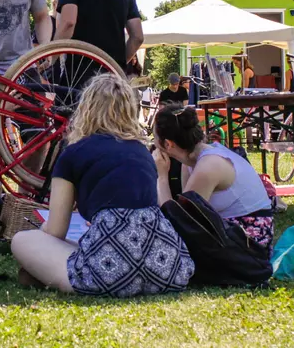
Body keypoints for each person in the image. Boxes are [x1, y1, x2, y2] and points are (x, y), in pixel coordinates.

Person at [11, 74, 193, 297]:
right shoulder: (141, 152)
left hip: (109, 271)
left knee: (22, 240)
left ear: (86, 109)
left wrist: (40, 241)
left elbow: (56, 230)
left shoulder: (73, 154)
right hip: (166, 268)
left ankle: (44, 273)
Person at [152, 103, 274, 251]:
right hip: (236, 234)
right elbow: (186, 214)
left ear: (168, 144)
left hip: (250, 249)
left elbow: (178, 224)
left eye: (155, 138)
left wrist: (161, 176)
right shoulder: (192, 160)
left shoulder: (208, 166)